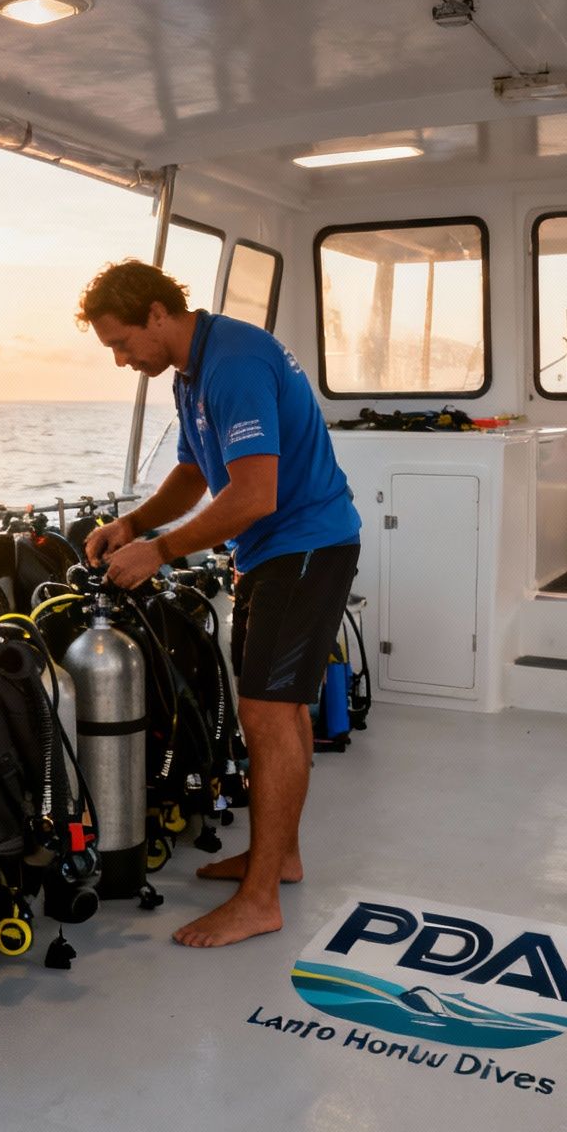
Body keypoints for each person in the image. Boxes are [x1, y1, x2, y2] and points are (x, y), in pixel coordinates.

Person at [76, 259, 361, 948]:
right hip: (278, 553)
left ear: (156, 313)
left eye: (121, 343)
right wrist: (135, 525)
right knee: (280, 710)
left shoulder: (232, 363)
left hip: (304, 548)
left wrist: (160, 552)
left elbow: (254, 495)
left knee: (267, 716)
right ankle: (280, 858)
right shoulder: (193, 371)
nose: (120, 361)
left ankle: (261, 898)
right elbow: (198, 471)